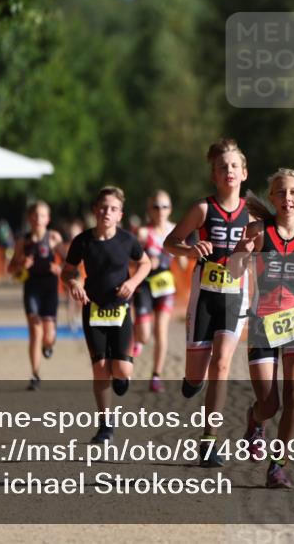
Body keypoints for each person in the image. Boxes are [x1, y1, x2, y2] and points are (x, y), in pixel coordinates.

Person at [229, 169, 294, 488]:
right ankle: (255, 420)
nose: (287, 197)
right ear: (273, 198)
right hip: (261, 322)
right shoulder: (257, 231)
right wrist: (241, 253)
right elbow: (234, 272)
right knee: (269, 404)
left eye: (293, 192)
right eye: (281, 192)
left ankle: (278, 466)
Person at [164, 138, 250, 467]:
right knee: (196, 375)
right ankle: (192, 381)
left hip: (235, 297)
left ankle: (210, 441)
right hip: (204, 298)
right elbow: (170, 242)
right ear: (213, 175)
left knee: (222, 364)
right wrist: (189, 250)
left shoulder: (254, 213)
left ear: (244, 173)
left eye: (234, 166)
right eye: (222, 167)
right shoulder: (202, 209)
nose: (229, 171)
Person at [62, 187, 151, 444]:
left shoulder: (127, 240)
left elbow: (145, 263)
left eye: (113, 209)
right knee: (100, 369)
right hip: (93, 309)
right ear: (95, 210)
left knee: (121, 369)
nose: (107, 212)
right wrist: (74, 283)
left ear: (120, 214)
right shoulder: (82, 241)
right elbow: (67, 271)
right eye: (103, 207)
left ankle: (122, 376)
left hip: (120, 310)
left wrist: (132, 282)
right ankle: (105, 425)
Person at [132, 190, 187, 393]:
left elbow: (183, 263)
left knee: (161, 332)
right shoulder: (143, 233)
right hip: (145, 286)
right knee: (145, 336)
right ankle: (137, 337)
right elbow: (131, 259)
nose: (160, 210)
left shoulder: (176, 231)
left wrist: (179, 254)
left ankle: (156, 376)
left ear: (170, 209)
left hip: (165, 287)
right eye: (156, 206)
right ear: (149, 209)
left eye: (164, 206)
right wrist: (147, 260)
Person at [8, 201, 66, 391]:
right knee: (35, 330)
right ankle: (35, 375)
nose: (38, 219)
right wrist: (21, 265)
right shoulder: (22, 242)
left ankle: (48, 346)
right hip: (32, 288)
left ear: (47, 219)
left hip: (50, 289)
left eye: (42, 215)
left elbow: (70, 263)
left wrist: (59, 268)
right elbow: (11, 269)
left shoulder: (54, 238)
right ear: (29, 218)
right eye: (34, 215)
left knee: (48, 336)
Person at [65, 218, 86, 330]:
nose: (73, 234)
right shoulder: (67, 246)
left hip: (81, 275)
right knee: (70, 299)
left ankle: (78, 317)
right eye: (72, 232)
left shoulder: (84, 244)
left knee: (80, 299)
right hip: (71, 276)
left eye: (75, 232)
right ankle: (70, 320)